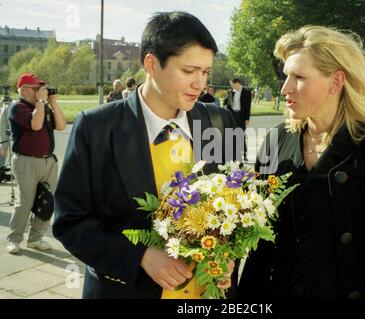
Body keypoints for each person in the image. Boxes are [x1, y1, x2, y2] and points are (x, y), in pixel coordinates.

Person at [238, 25, 365, 299]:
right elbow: (260, 244)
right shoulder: (278, 140)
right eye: (286, 75)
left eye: (299, 77)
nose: (285, 88)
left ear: (336, 81)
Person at [53, 11, 238, 299]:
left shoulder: (220, 122)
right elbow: (69, 222)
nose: (200, 84)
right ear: (151, 64)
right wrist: (139, 256)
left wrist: (230, 256)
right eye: (189, 71)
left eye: (205, 72)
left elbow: (236, 206)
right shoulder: (96, 127)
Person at [6, 73, 67, 254]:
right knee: (24, 202)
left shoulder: (44, 107)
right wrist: (41, 103)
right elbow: (36, 125)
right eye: (36, 88)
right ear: (24, 90)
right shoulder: (18, 108)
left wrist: (53, 104)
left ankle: (35, 238)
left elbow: (62, 125)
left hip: (47, 161)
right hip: (26, 162)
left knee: (46, 202)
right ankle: (14, 238)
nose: (42, 91)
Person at [223, 78, 252, 161]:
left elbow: (248, 107)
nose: (231, 86)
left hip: (241, 116)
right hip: (232, 116)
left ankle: (245, 154)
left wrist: (247, 119)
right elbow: (225, 102)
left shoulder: (247, 93)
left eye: (232, 84)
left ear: (237, 83)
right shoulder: (230, 92)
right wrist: (225, 111)